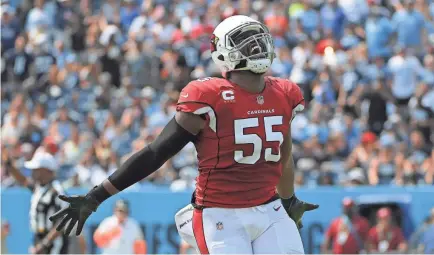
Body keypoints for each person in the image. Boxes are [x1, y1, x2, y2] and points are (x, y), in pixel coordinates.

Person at [50, 15, 319, 254]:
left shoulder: (279, 93)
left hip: (267, 209)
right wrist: (289, 198)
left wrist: (288, 200)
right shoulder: (271, 93)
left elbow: (156, 152)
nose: (257, 48)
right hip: (220, 215)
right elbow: (158, 153)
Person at [6, 152, 69, 254]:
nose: (32, 172)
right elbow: (22, 180)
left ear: (45, 170)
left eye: (36, 169)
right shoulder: (39, 187)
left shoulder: (56, 191)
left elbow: (63, 221)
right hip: (39, 238)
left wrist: (44, 244)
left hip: (54, 244)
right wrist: (8, 164)